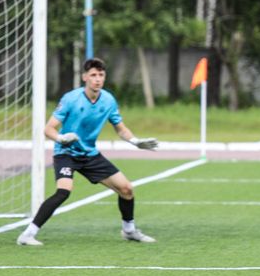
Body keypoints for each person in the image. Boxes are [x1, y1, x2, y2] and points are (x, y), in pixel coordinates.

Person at [17, 58, 160, 246]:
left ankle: (129, 231)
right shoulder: (71, 99)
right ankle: (28, 235)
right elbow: (48, 129)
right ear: (84, 77)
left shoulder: (108, 100)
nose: (97, 79)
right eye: (93, 75)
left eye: (101, 75)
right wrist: (61, 138)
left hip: (90, 155)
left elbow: (120, 128)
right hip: (66, 153)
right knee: (63, 191)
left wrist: (135, 141)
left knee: (126, 189)